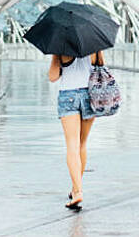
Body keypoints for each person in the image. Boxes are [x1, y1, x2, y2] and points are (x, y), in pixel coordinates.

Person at [48, 50, 105, 210]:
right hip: (89, 95)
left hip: (68, 95)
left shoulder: (61, 47)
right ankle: (75, 188)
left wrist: (55, 56)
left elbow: (52, 77)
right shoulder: (94, 46)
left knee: (72, 146)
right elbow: (101, 67)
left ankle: (78, 191)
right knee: (82, 144)